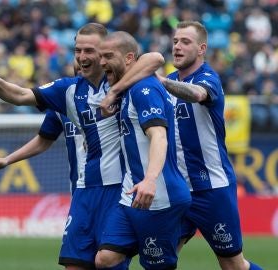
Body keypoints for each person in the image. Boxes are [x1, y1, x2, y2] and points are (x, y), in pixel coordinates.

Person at [0, 23, 164, 269]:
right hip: (83, 191)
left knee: (107, 263)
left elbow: (155, 58)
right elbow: (21, 96)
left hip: (119, 189)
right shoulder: (68, 90)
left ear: (107, 52)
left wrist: (115, 90)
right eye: (78, 50)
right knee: (73, 265)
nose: (82, 57)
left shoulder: (126, 80)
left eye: (89, 51)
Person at [101, 21, 263, 270]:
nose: (177, 46)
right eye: (175, 41)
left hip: (210, 187)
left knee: (233, 265)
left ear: (202, 49)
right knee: (153, 260)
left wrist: (163, 82)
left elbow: (198, 94)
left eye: (185, 42)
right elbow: (151, 59)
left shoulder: (207, 78)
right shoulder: (164, 80)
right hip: (175, 191)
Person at [95, 31, 191, 270]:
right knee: (105, 259)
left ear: (129, 58)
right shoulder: (127, 88)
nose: (102, 62)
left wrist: (150, 179)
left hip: (157, 196)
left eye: (108, 56)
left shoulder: (143, 89)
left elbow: (159, 135)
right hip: (132, 194)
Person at [0, 109, 85, 195]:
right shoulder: (62, 98)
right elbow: (43, 141)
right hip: (79, 192)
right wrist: (6, 160)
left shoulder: (100, 101)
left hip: (100, 188)